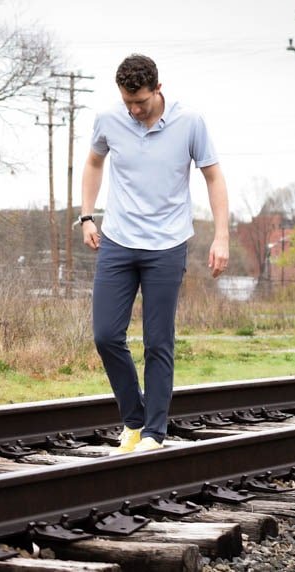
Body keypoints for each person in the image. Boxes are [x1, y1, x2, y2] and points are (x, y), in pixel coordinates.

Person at [80, 54, 229, 454]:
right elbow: (94, 162)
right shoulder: (109, 119)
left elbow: (213, 176)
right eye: (128, 102)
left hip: (167, 245)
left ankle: (153, 433)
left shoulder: (190, 122)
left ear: (158, 89)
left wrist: (222, 237)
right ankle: (134, 420)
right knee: (106, 335)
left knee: (157, 341)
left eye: (141, 102)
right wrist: (86, 216)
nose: (134, 109)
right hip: (118, 241)